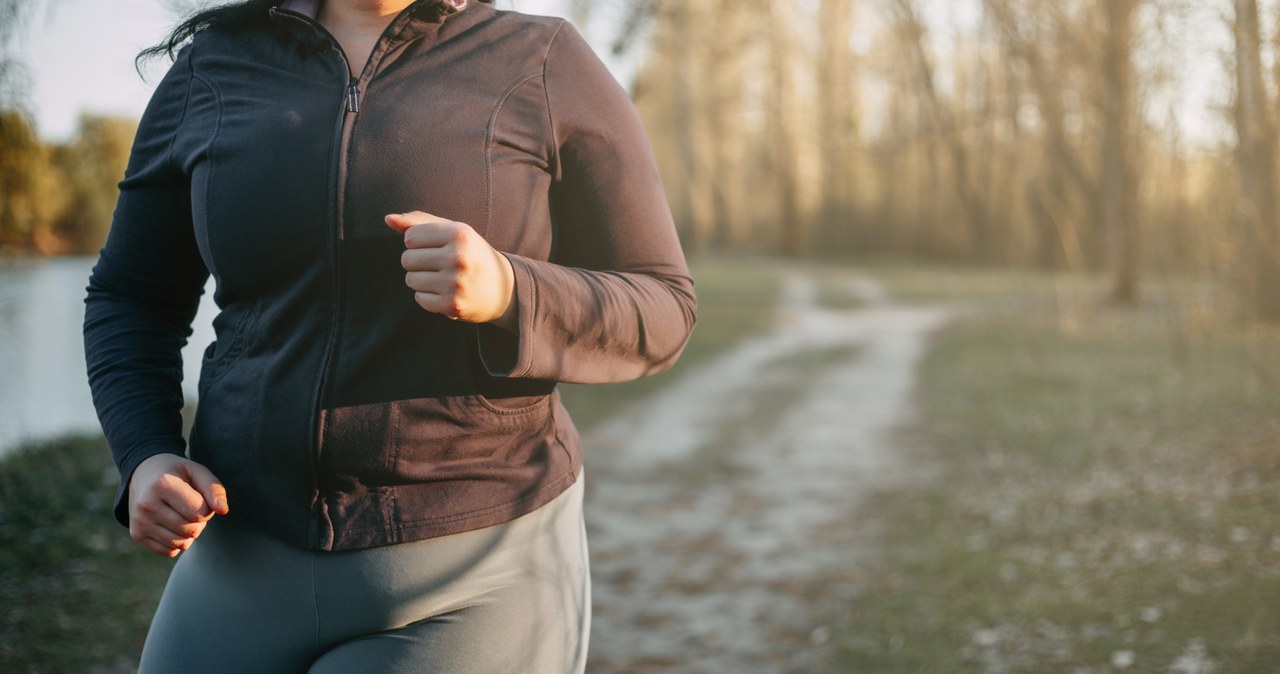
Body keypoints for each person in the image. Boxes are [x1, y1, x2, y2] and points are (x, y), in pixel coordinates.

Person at [82, 0, 696, 671]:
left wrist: (513, 292)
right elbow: (130, 296)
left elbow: (662, 306)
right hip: (239, 551)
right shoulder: (215, 65)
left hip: (470, 573)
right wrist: (144, 454)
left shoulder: (540, 60)